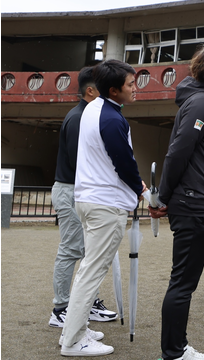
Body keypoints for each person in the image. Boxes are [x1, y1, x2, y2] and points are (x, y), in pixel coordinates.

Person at [149, 42, 204, 360]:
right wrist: (164, 196)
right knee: (182, 283)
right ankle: (174, 352)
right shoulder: (203, 103)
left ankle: (176, 348)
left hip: (200, 203)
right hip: (195, 204)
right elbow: (178, 151)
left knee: (183, 282)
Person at [59, 59, 146, 356]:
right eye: (131, 85)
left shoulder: (94, 108)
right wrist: (141, 188)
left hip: (89, 200)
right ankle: (72, 341)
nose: (136, 89)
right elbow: (124, 162)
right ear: (114, 89)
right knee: (91, 272)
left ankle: (75, 330)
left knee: (87, 269)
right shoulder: (111, 119)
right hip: (104, 204)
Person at [49, 66, 119, 330]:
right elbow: (84, 162)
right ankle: (61, 308)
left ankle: (85, 304)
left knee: (89, 252)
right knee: (71, 250)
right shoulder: (79, 117)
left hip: (78, 191)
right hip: (70, 190)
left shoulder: (86, 114)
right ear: (90, 90)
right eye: (104, 86)